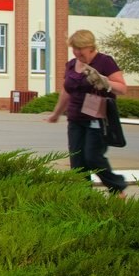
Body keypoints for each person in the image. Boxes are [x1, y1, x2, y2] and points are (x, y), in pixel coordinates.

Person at [46, 29, 128, 196]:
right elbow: (66, 92)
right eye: (74, 49)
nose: (77, 53)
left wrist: (105, 82)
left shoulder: (105, 62)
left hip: (98, 118)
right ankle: (83, 197)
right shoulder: (71, 64)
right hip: (76, 119)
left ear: (90, 47)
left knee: (92, 157)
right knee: (77, 162)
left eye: (80, 49)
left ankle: (117, 187)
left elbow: (122, 88)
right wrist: (56, 114)